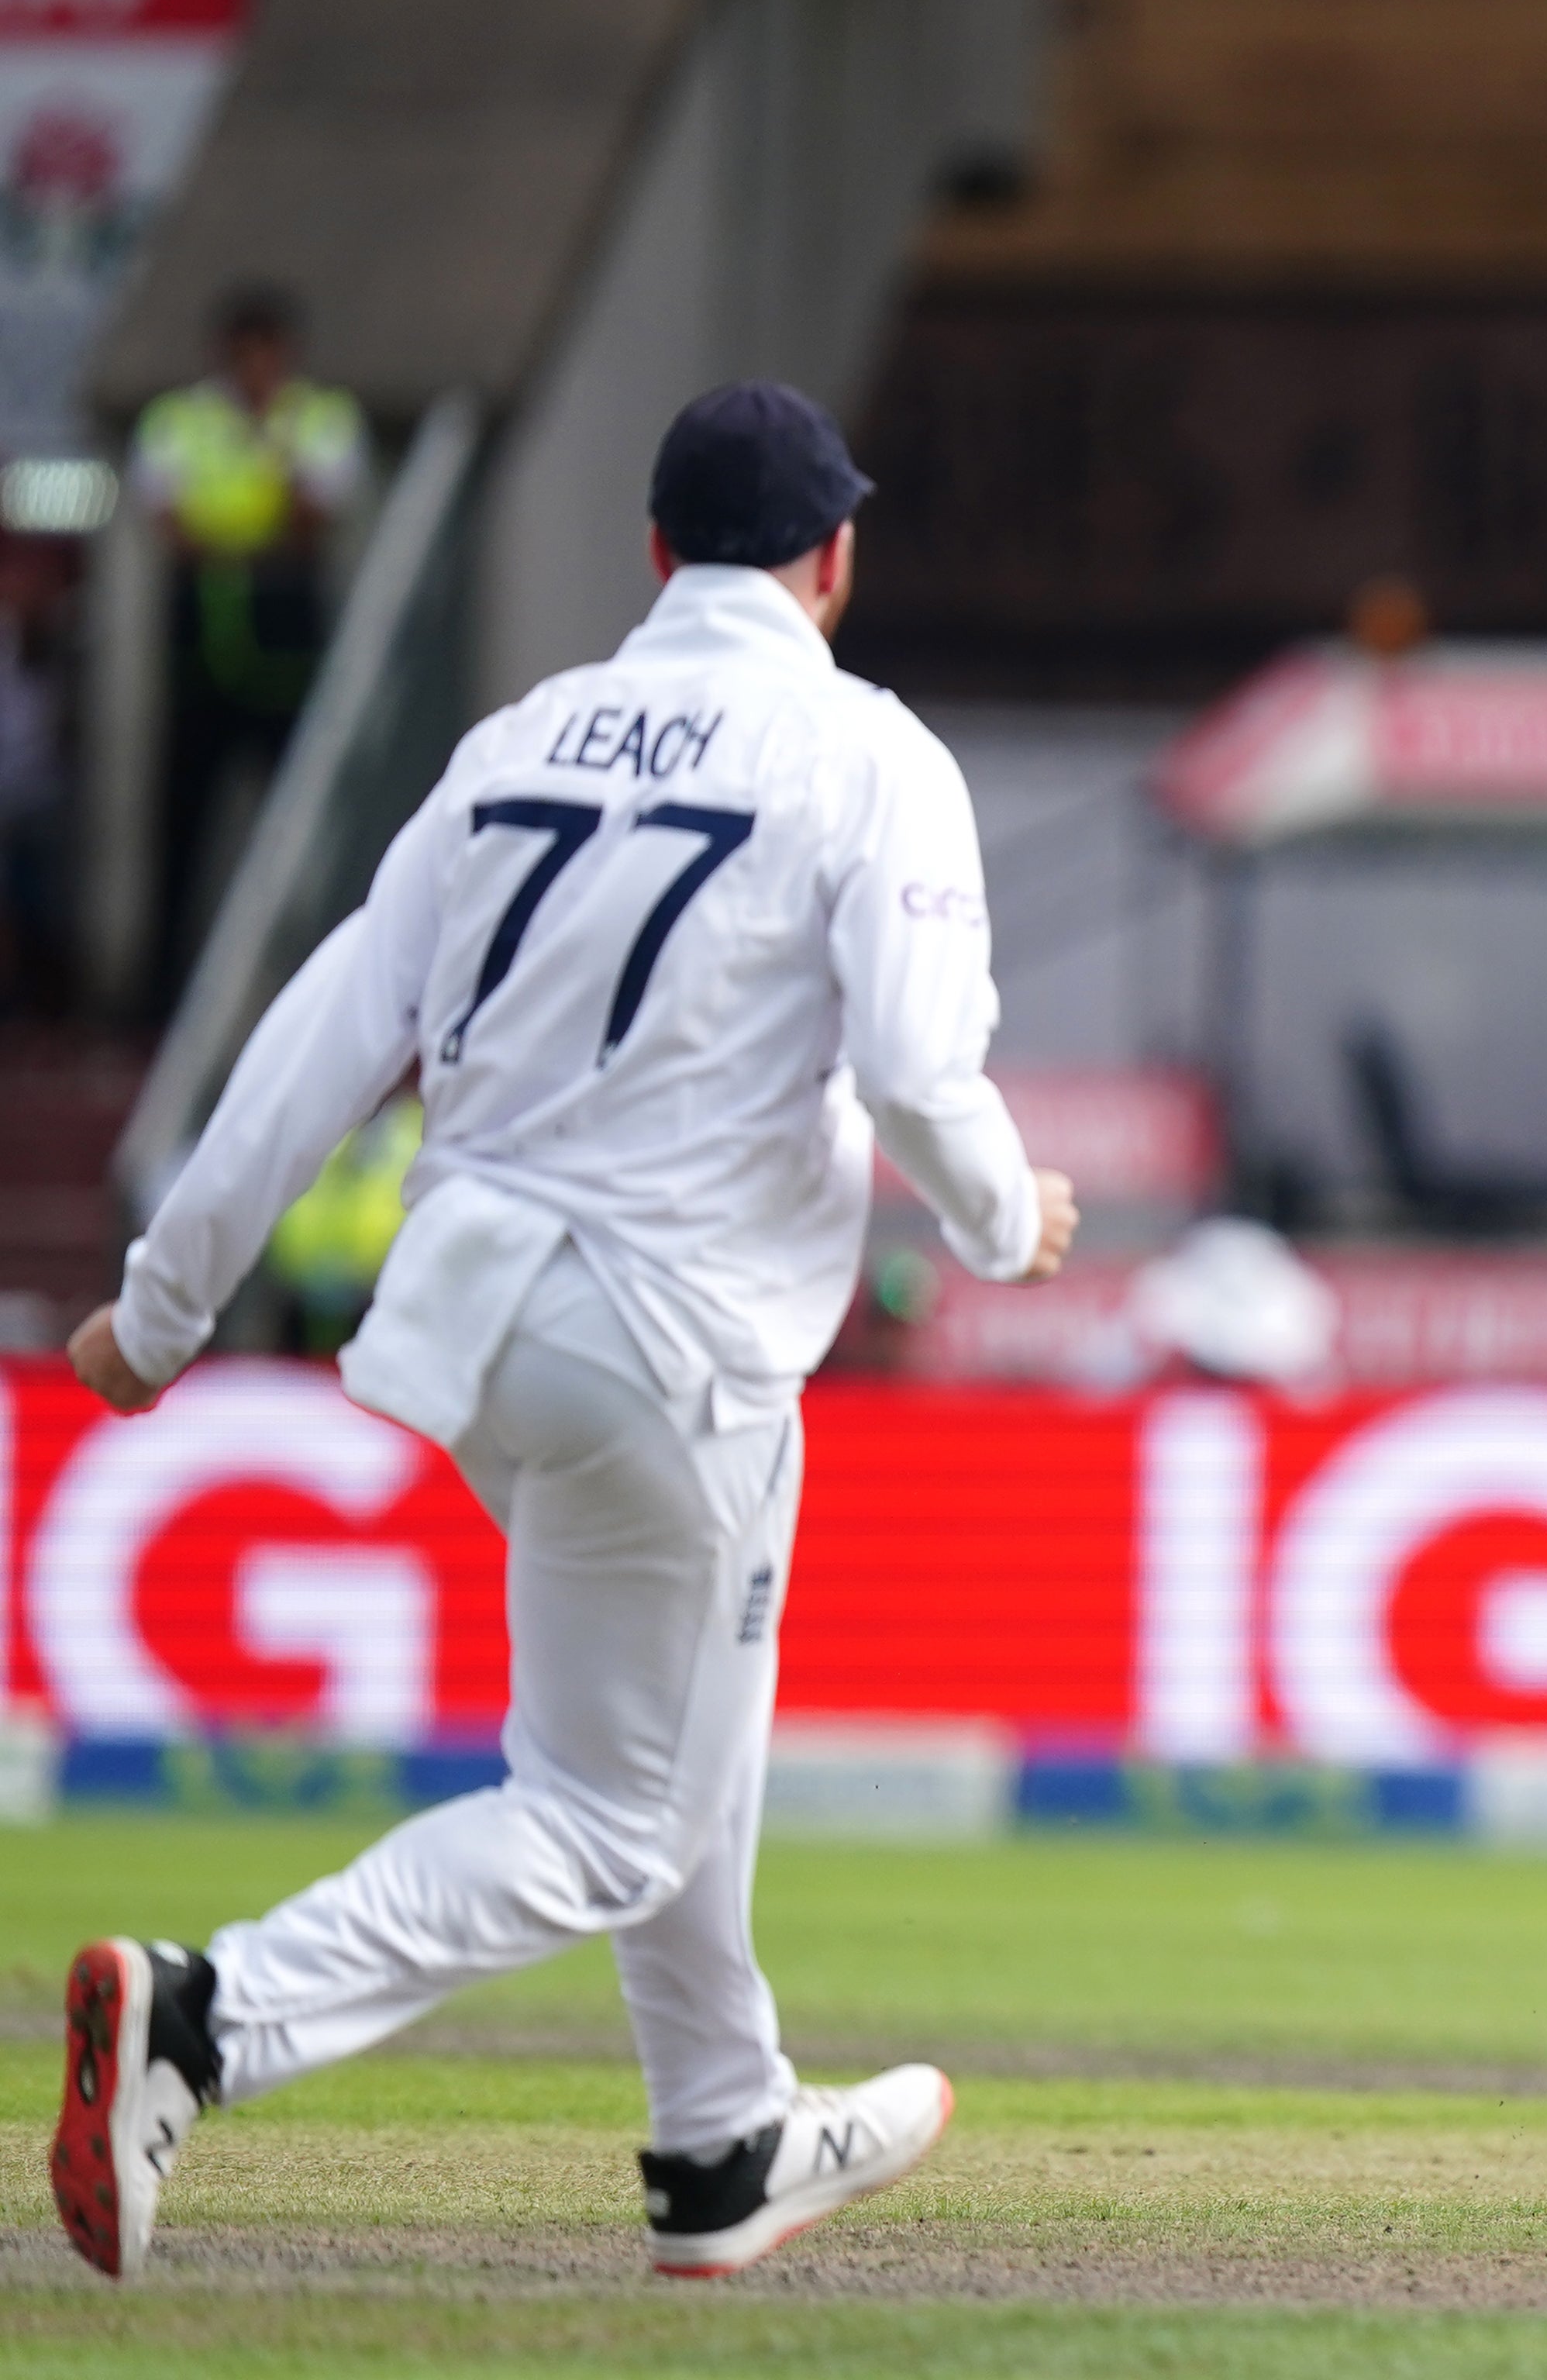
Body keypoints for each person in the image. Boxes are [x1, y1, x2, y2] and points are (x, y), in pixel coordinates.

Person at [49, 381, 1077, 2281]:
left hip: (471, 1316)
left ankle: (719, 2137)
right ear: (835, 558)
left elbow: (327, 1028)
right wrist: (1012, 1221)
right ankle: (205, 2015)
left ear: (658, 552)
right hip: (669, 1331)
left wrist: (166, 1302)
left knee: (670, 1727)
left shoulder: (520, 735)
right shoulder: (869, 752)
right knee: (610, 1809)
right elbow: (924, 1066)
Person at [131, 282, 368, 984]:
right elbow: (171, 526)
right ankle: (161, 988)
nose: (256, 370)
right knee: (183, 823)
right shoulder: (180, 419)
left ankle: (316, 970)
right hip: (204, 644)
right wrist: (255, 525)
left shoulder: (320, 417)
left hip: (284, 645)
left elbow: (312, 521)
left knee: (302, 818)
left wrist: (261, 469)